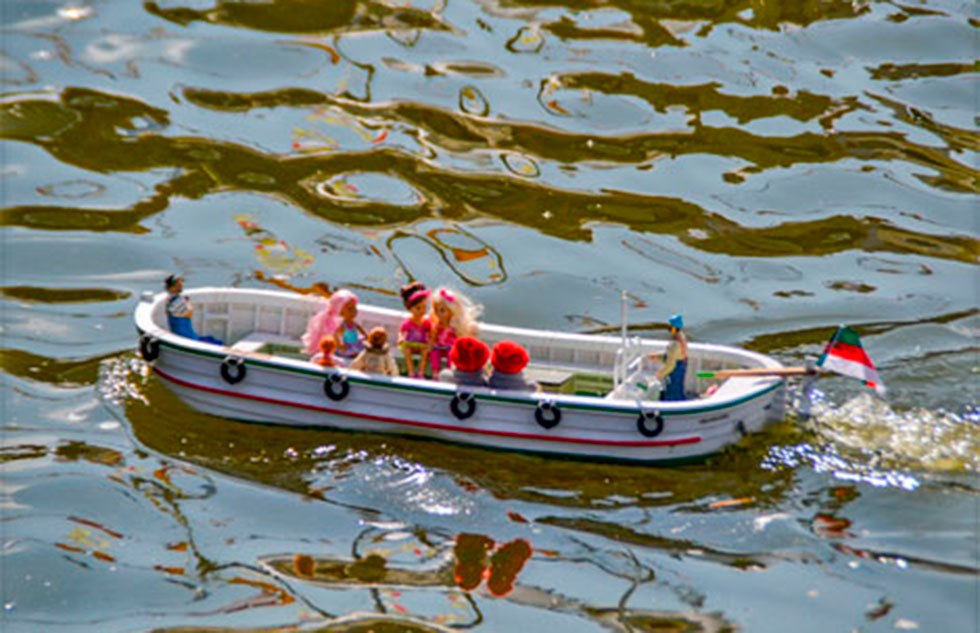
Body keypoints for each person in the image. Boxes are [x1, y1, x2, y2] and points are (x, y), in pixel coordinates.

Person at [425, 286, 481, 377]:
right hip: (439, 346)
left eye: (442, 311)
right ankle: (435, 373)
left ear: (451, 311)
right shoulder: (437, 324)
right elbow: (434, 336)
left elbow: (460, 336)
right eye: (436, 310)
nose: (438, 314)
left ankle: (451, 373)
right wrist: (431, 343)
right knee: (434, 353)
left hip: (451, 347)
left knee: (452, 356)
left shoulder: (455, 326)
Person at [301, 289, 365, 363]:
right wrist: (340, 344)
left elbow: (359, 330)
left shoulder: (348, 323)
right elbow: (336, 335)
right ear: (340, 311)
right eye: (350, 309)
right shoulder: (337, 325)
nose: (354, 311)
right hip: (344, 346)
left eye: (354, 308)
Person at [164, 274, 222, 345]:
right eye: (178, 283)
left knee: (211, 339)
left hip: (186, 338)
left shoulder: (169, 301)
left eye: (181, 282)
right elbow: (189, 312)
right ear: (172, 287)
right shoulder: (178, 302)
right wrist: (187, 302)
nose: (181, 284)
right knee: (218, 343)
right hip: (191, 340)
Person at [398, 281, 431, 378]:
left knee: (425, 352)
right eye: (418, 308)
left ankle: (421, 372)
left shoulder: (426, 322)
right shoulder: (408, 322)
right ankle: (411, 372)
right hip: (410, 344)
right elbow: (402, 332)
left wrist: (430, 341)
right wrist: (400, 338)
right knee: (407, 351)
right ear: (410, 309)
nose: (422, 311)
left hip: (421, 344)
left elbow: (430, 332)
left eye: (424, 307)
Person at [654, 313, 688, 401]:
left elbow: (670, 365)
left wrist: (660, 374)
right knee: (678, 388)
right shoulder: (681, 336)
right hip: (681, 364)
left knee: (672, 392)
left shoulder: (674, 343)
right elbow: (672, 355)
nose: (668, 328)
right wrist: (658, 357)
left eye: (670, 326)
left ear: (674, 327)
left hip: (675, 369)